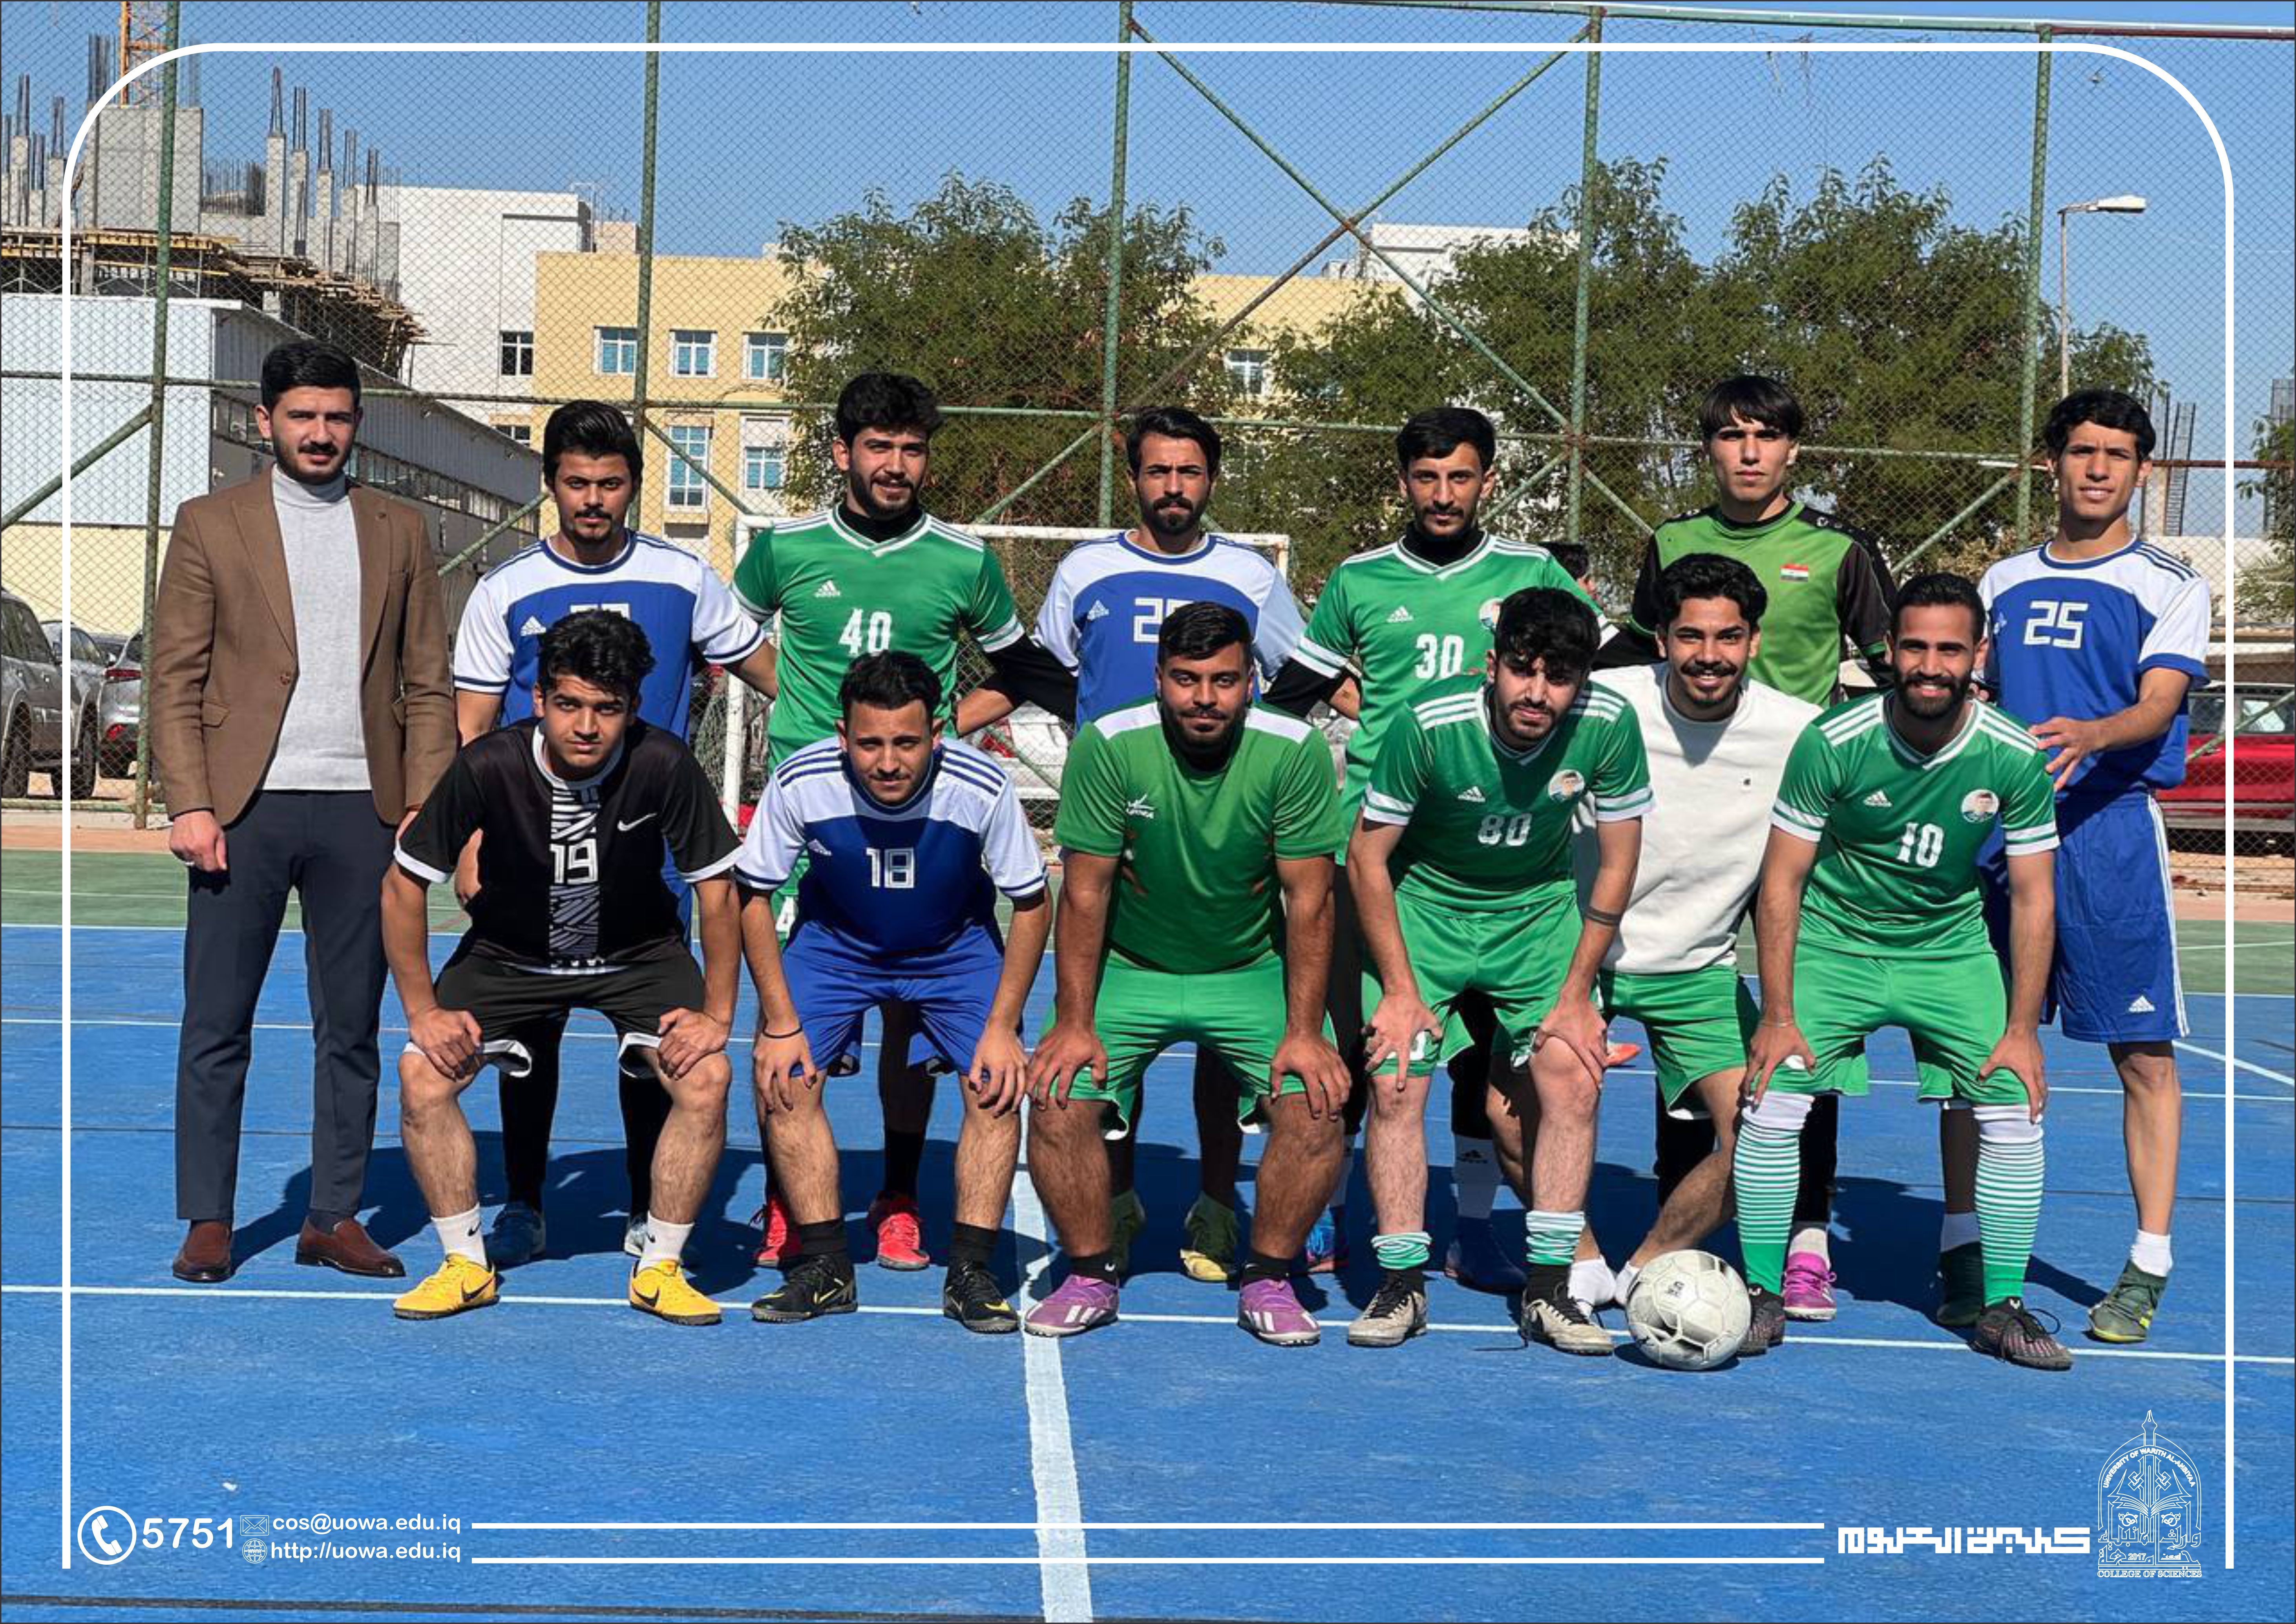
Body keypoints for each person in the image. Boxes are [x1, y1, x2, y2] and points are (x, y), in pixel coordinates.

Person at [729, 371, 1068, 1271]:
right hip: (816, 816)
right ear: (843, 452)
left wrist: (940, 727)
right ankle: (787, 1203)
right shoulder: (784, 547)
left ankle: (900, 1197)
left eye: (912, 449)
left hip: (916, 809)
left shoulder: (963, 559)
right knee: (788, 1026)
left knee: (914, 1026)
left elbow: (1026, 670)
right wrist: (797, 700)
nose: (895, 464)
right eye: (878, 447)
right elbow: (727, 634)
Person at [969, 405, 1308, 1284]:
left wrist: (1272, 766)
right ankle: (1114, 1201)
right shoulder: (1086, 568)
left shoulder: (1249, 573)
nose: (1174, 486)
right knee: (1105, 1034)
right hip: (1115, 822)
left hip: (1219, 829)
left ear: (1211, 479)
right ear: (1134, 478)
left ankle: (1218, 1202)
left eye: (1189, 471)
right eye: (1158, 470)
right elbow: (1040, 671)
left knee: (1224, 1048)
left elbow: (1302, 674)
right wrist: (947, 727)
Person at [1263, 406, 1595, 1291]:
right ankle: (1333, 1211)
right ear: (1403, 481)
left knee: (1489, 1060)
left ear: (1488, 479)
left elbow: (1589, 676)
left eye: (1460, 476)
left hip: (1500, 850)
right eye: (1426, 477)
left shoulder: (1532, 572)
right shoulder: (1360, 578)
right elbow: (1294, 689)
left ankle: (1473, 1230)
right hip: (1383, 850)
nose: (1443, 494)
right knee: (1369, 1042)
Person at [1597, 373, 1900, 1322]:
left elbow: (1893, 674)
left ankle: (1807, 1237)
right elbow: (1631, 657)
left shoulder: (1842, 550)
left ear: (1793, 451)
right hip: (1690, 809)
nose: (1750, 451)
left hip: (1791, 818)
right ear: (1710, 450)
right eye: (1731, 436)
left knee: (1795, 1032)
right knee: (1687, 1041)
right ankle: (1677, 1231)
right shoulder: (1671, 541)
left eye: (1767, 436)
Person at [152, 338, 454, 1284]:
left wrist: (425, 802)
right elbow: (174, 676)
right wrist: (191, 801)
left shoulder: (401, 528)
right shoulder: (209, 523)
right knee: (216, 1023)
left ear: (356, 424)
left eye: (336, 417)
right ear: (266, 421)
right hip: (242, 811)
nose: (320, 433)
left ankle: (333, 1215)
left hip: (367, 810)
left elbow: (429, 680)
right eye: (303, 416)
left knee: (351, 1025)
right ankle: (210, 1219)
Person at [451, 400, 776, 1268]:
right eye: (576, 482)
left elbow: (770, 671)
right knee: (531, 1036)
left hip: (647, 856)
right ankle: (525, 1202)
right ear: (550, 484)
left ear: (634, 485)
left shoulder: (685, 577)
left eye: (610, 483)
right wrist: (473, 838)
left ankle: (645, 1204)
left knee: (656, 1042)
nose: (593, 499)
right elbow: (474, 726)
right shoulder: (504, 588)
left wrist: (848, 740)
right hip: (531, 855)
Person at [1740, 573, 2069, 1370]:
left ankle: (2000, 1305)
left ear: (1978, 653)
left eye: (1949, 649)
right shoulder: (1833, 740)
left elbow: (2033, 897)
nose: (1929, 665)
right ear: (1888, 648)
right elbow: (1780, 880)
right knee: (1771, 1098)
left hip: (1949, 950)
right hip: (1835, 945)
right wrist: (1777, 1013)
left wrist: (2022, 1028)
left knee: (2014, 1103)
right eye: (1914, 646)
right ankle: (1760, 1293)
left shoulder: (2012, 754)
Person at [382, 612, 740, 1325]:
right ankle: (465, 1265)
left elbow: (719, 890)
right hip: (509, 956)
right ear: (539, 698)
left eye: (607, 708)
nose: (585, 726)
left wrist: (719, 1014)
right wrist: (422, 1010)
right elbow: (402, 884)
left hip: (637, 955)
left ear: (633, 708)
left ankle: (660, 1266)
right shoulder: (489, 765)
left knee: (707, 1075)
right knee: (422, 1074)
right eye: (569, 704)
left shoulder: (663, 762)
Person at [1025, 602, 1352, 1345]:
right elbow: (1085, 891)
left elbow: (1309, 900)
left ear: (1252, 681)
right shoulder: (1109, 743)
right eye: (1186, 679)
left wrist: (1306, 1032)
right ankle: (1089, 1274)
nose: (1205, 697)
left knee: (1317, 1105)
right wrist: (1073, 1022)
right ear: (1158, 678)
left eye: (1224, 680)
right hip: (1130, 966)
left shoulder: (1294, 748)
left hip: (1247, 968)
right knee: (1056, 1097)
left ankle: (1268, 1277)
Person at [1346, 588, 1648, 1354]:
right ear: (1493, 664)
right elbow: (1367, 856)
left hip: (1537, 911)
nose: (1537, 692)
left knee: (1572, 1072)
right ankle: (1401, 1282)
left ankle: (1551, 1288)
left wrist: (1577, 992)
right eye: (1523, 669)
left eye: (1559, 677)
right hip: (1426, 906)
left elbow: (1618, 862)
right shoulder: (1428, 723)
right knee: (1396, 1076)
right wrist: (1400, 991)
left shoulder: (1610, 723)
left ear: (1582, 681)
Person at [1973, 389, 2209, 1344]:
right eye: (2082, 450)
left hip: (2110, 833)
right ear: (2053, 463)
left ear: (2142, 471)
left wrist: (2091, 735)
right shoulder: (2001, 580)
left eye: (2117, 453)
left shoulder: (2169, 581)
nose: (2099, 467)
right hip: (2004, 836)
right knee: (1980, 1045)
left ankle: (2147, 1262)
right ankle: (1966, 1247)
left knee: (2142, 1055)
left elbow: (2157, 706)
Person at [736, 652, 1050, 1334]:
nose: (887, 762)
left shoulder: (981, 784)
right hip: (837, 946)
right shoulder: (802, 780)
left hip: (952, 949)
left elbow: (1031, 902)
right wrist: (780, 1021)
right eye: (869, 743)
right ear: (842, 735)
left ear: (936, 733)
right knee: (785, 1077)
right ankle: (826, 1266)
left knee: (995, 1085)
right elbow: (752, 896)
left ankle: (971, 1271)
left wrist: (1002, 1025)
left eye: (906, 742)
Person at [1575, 555, 1819, 1312]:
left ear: (1754, 640)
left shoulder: (1798, 731)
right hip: (1579, 962)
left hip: (1699, 971)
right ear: (1660, 639)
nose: (1708, 655)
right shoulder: (1600, 702)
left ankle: (1644, 1269)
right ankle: (1578, 1258)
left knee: (1766, 1131)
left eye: (1727, 636)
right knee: (1514, 1105)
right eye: (1689, 636)